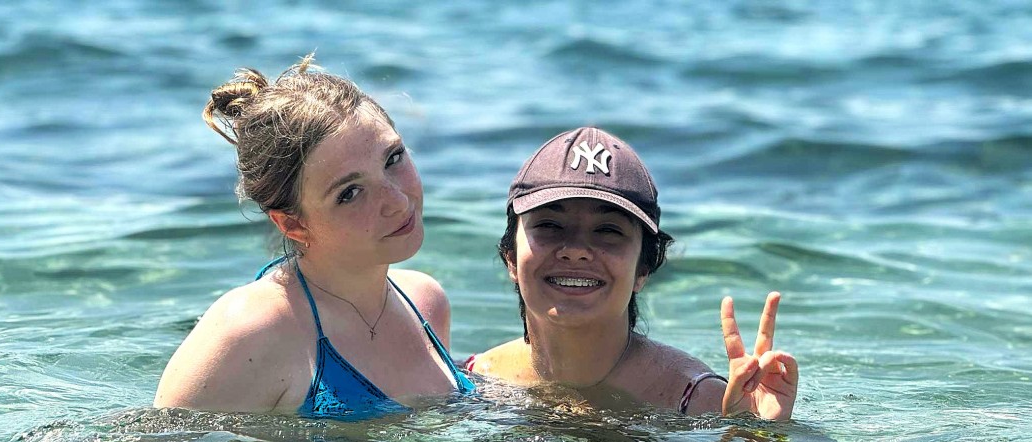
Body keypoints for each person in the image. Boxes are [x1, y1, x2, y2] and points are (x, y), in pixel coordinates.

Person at [154, 55, 473, 419]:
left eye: (393, 159)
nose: (398, 201)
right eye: (350, 193)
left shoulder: (426, 302)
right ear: (293, 225)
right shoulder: (251, 331)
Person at [465, 127, 798, 420]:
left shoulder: (696, 401)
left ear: (644, 268)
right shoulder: (474, 380)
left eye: (608, 230)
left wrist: (754, 437)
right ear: (511, 257)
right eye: (550, 225)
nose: (576, 249)